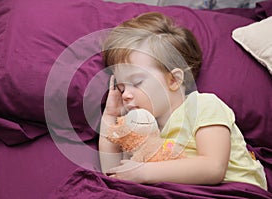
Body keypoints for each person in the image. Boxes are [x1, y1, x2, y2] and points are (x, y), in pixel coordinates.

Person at [98, 12, 267, 190]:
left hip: (233, 189)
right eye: (122, 87)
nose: (125, 95)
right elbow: (112, 173)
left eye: (136, 82)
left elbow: (213, 168)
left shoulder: (203, 105)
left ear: (174, 80)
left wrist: (144, 172)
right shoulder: (141, 128)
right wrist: (110, 116)